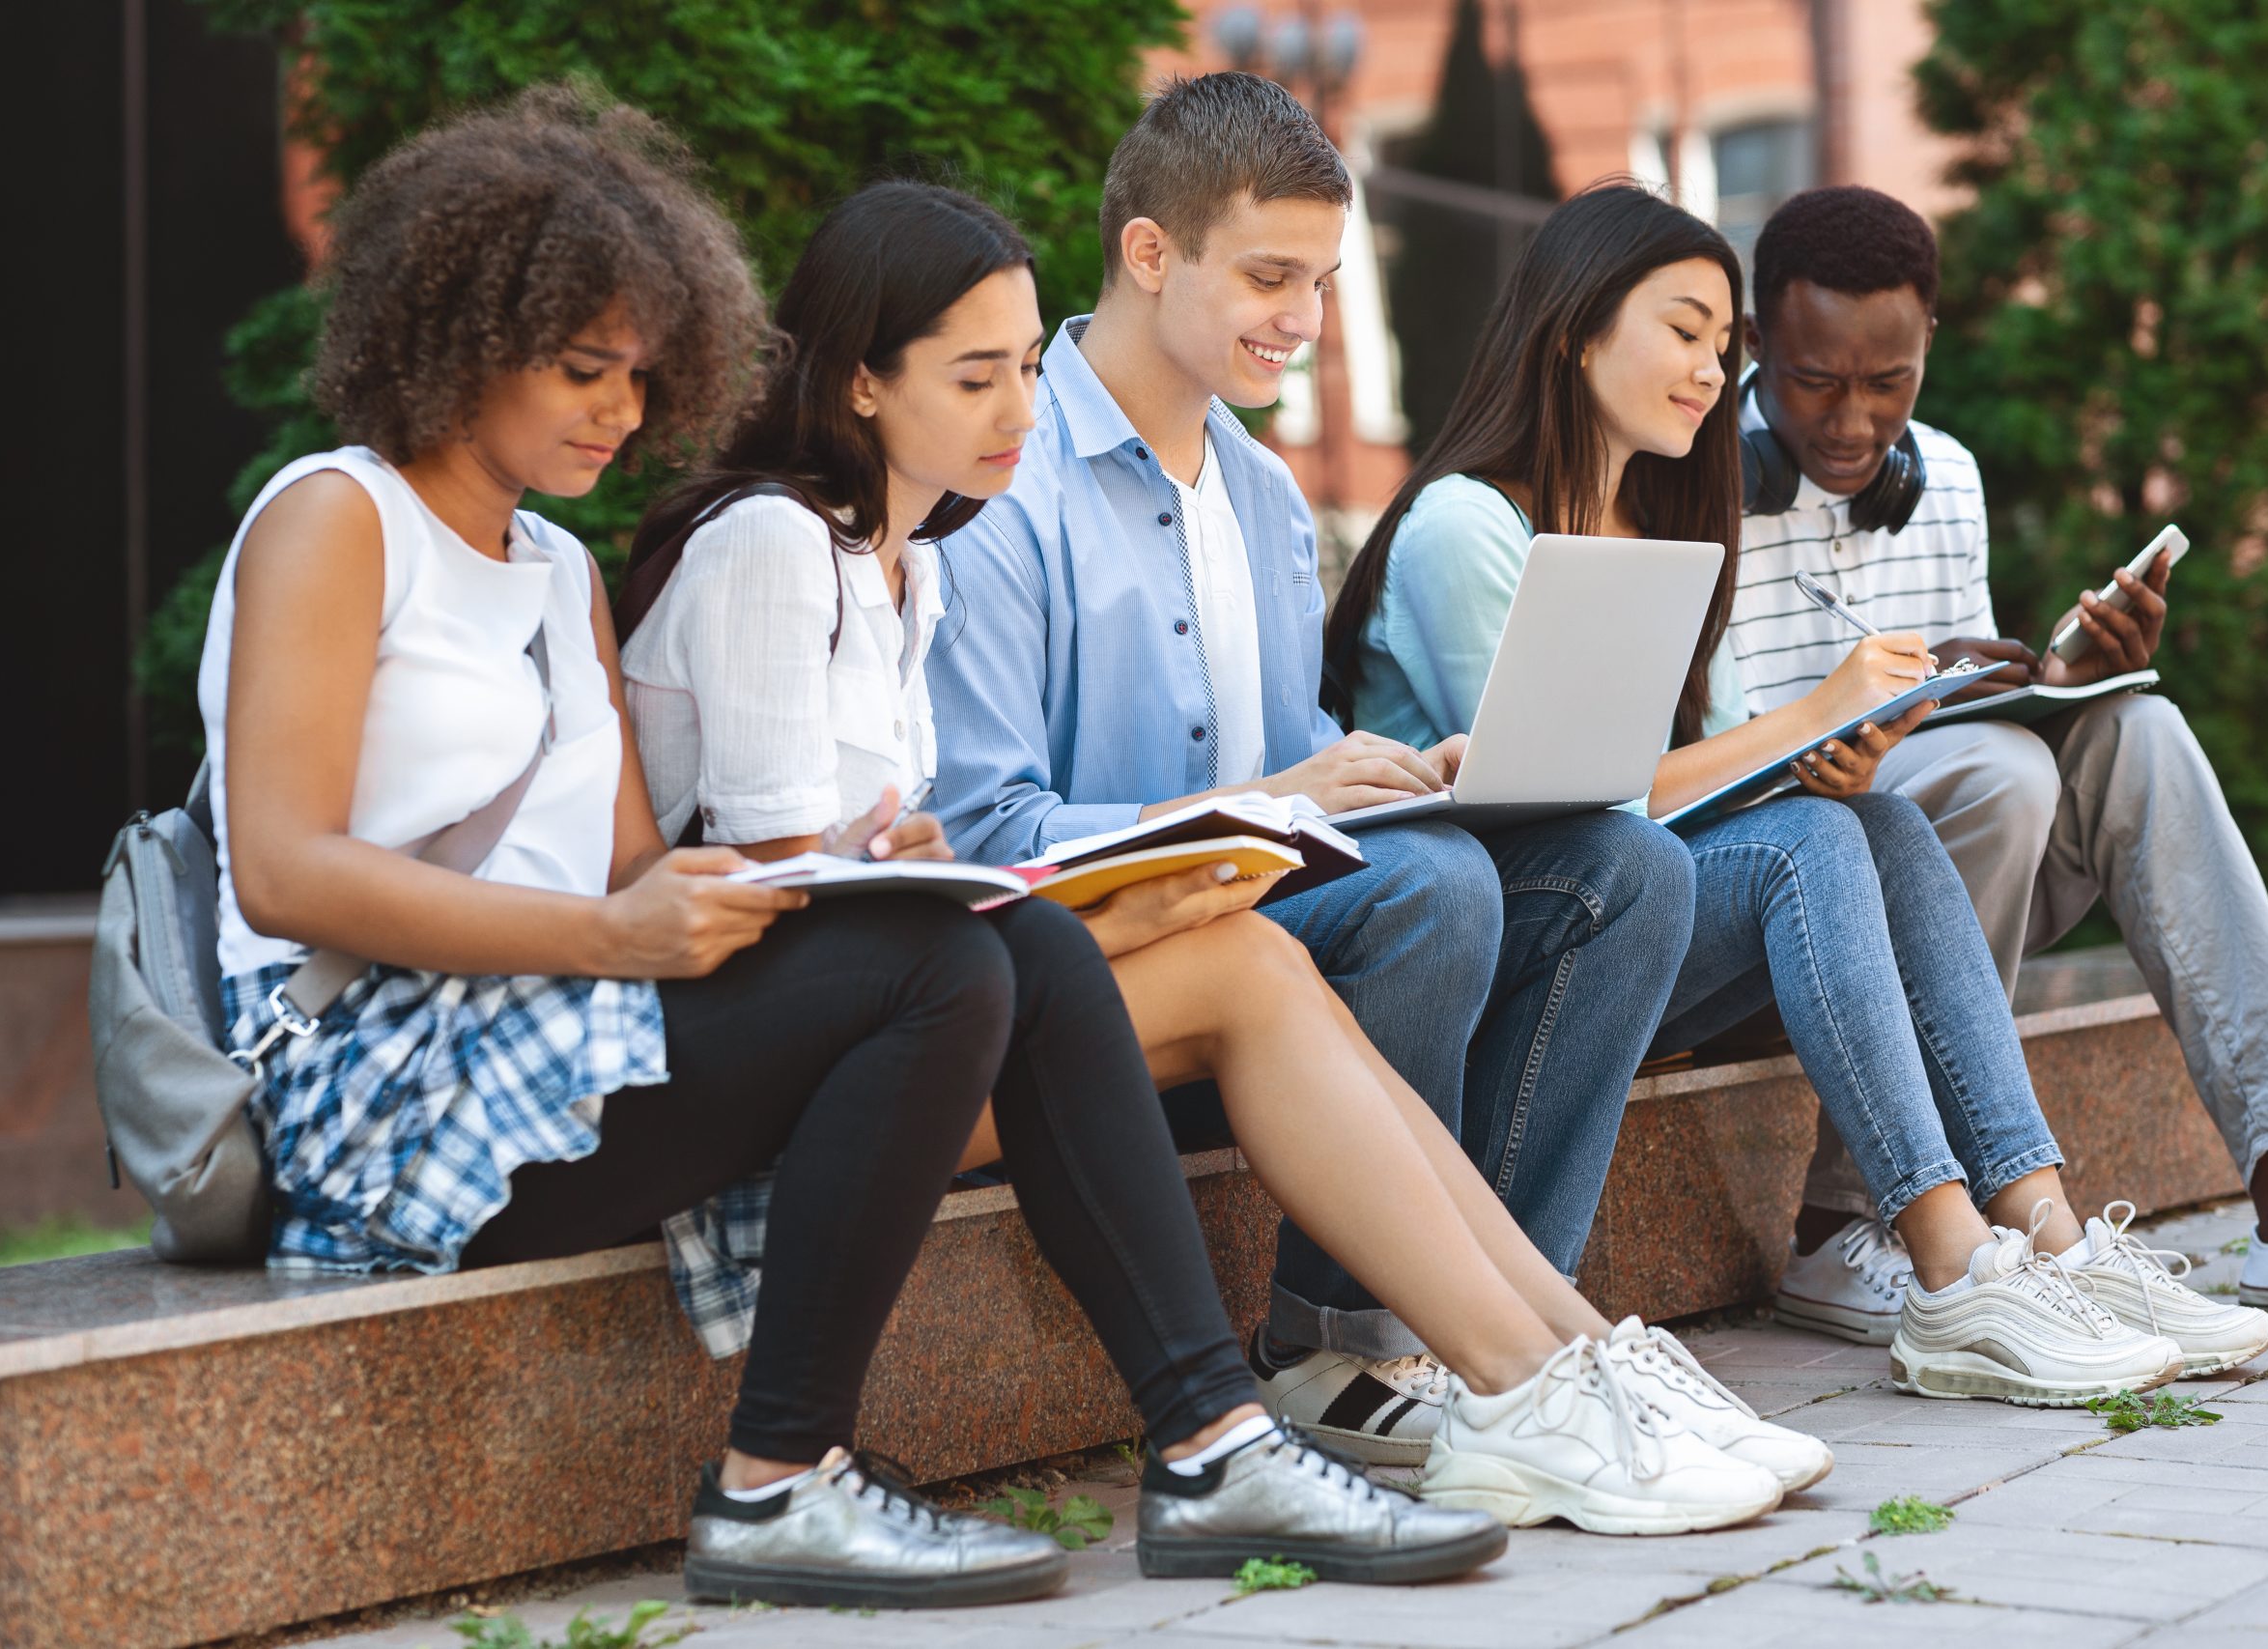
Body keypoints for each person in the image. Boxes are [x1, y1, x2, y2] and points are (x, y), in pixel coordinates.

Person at [202, 90, 1502, 1611]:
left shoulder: (552, 564)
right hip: (380, 1082)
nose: (619, 410)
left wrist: (858, 859)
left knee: (994, 937)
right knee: (951, 962)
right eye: (578, 369)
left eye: (638, 372)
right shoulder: (334, 516)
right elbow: (281, 872)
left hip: (559, 1033)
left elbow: (640, 880)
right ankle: (781, 1482)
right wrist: (620, 936)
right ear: (455, 337)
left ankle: (1214, 1439)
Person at [623, 178, 1822, 1538]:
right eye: (978, 377)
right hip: (808, 1051)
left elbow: (886, 879)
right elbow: (815, 920)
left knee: (1372, 916)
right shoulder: (784, 543)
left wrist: (1343, 790)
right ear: (856, 381)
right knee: (1285, 939)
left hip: (936, 1003)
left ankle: (1557, 1359)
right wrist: (1163, 871)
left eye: (1024, 369)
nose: (1021, 409)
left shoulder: (917, 563)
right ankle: (1487, 1382)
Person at [1327, 179, 2264, 1401]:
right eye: (1683, 331)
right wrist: (1810, 712)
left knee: (1866, 822)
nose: (1713, 371)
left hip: (1638, 916)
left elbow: (1705, 784)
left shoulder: (1656, 511)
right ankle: (1947, 1268)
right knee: (1813, 848)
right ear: (1574, 328)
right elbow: (1565, 806)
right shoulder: (1466, 525)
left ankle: (2038, 1234)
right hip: (1515, 936)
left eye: (1721, 345)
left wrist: (1837, 744)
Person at [925, 71, 1699, 1464]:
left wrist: (1408, 771)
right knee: (1434, 893)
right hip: (1106, 956)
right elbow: (996, 834)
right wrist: (1285, 803)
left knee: (1625, 867)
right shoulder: (1002, 482)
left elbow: (1297, 787)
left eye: (1327, 282)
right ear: (1150, 253)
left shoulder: (1270, 497)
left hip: (1265, 915)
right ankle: (1337, 1344)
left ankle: (1517, 1348)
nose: (1306, 320)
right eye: (1272, 276)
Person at [1725, 184, 2268, 1340]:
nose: (1855, 423)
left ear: (1929, 349)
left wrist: (2049, 686)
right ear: (1755, 344)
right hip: (1776, 900)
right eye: (1815, 381)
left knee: (2139, 731)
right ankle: (1837, 1223)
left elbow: (1952, 736)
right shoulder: (1683, 478)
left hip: (1943, 878)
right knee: (2002, 781)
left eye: (1889, 382)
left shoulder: (1946, 482)